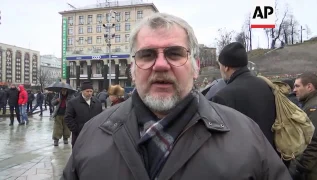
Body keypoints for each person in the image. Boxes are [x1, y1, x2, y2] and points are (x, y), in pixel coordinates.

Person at [62, 13, 291, 180]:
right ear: (133, 68)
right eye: (147, 54)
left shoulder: (247, 136)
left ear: (196, 66)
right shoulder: (93, 134)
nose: (160, 65)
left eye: (174, 53)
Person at [211, 42, 276, 150]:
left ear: (226, 67)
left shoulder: (223, 96)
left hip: (243, 161)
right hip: (270, 156)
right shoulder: (265, 85)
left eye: (220, 65)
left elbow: (220, 141)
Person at [291, 72, 317, 179]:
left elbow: (313, 142)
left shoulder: (314, 107)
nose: (294, 90)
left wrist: (300, 169)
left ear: (309, 87)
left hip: (314, 171)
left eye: (297, 86)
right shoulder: (310, 104)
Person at [65, 81, 102, 147]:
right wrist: (76, 129)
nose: (89, 93)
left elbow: (101, 117)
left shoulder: (97, 103)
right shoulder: (73, 103)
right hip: (79, 135)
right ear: (82, 91)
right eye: (87, 91)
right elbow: (68, 118)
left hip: (94, 135)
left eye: (91, 91)